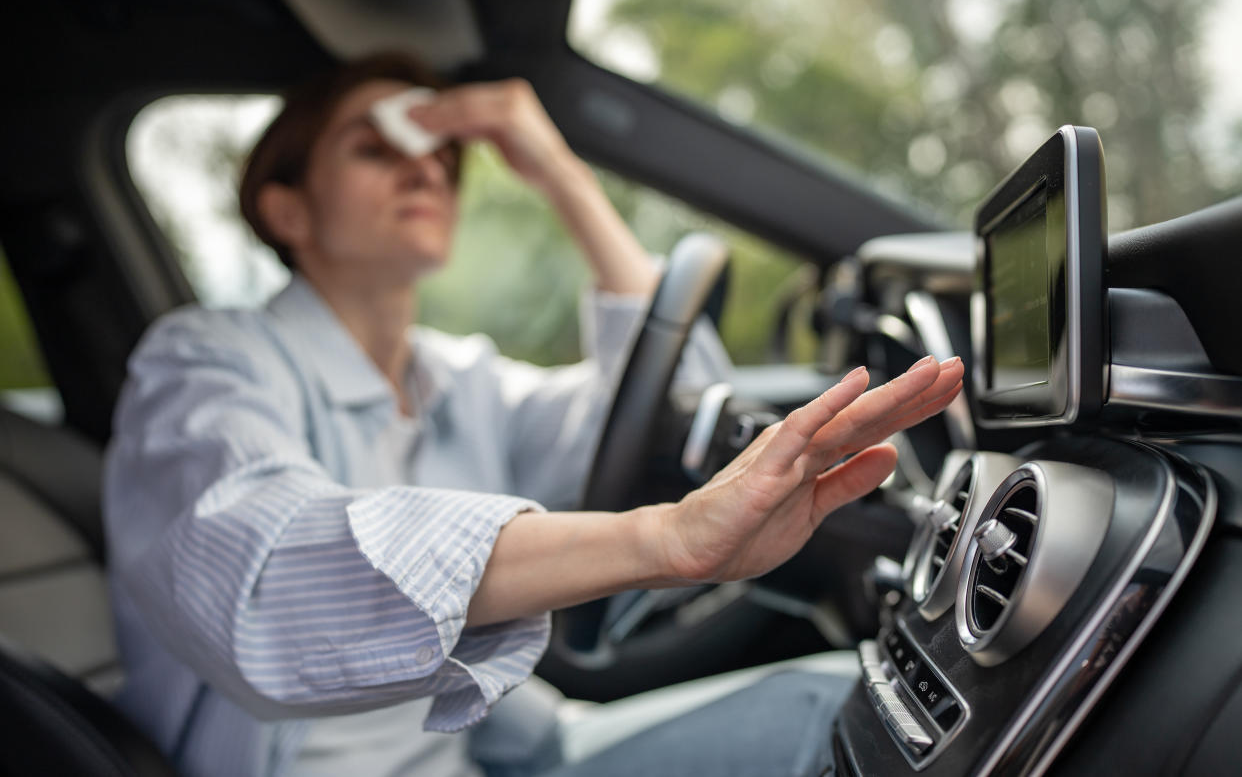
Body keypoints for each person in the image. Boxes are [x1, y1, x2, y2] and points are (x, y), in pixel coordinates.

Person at [103, 52, 964, 777]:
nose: (425, 168)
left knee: (847, 710)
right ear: (285, 207)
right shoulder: (204, 362)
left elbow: (676, 413)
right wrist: (660, 542)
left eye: (444, 161)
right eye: (375, 148)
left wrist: (558, 169)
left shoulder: (462, 378)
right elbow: (267, 581)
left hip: (498, 753)